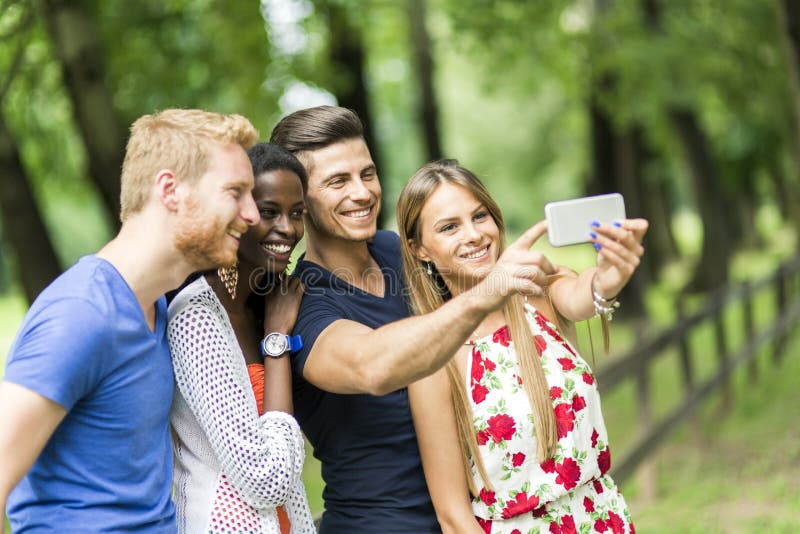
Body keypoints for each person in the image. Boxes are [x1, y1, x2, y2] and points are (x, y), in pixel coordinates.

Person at [269, 106, 565, 533]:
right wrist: (485, 295)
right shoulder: (304, 305)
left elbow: (503, 290)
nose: (363, 193)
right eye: (337, 181)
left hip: (480, 517)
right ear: (299, 201)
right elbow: (372, 366)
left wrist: (591, 285)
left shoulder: (397, 253)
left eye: (367, 174)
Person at [0, 109, 260, 533]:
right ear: (170, 190)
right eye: (235, 192)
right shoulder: (81, 313)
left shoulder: (159, 306)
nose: (251, 214)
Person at [397, 159, 647, 534]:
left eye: (479, 216)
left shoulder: (540, 291)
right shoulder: (435, 356)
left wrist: (608, 281)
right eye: (449, 227)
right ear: (420, 249)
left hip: (603, 519)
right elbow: (453, 517)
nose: (474, 234)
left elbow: (583, 294)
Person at [167, 142, 315, 533]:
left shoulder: (264, 301)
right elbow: (266, 480)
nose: (288, 228)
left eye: (297, 213)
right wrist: (277, 341)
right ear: (237, 213)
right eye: (270, 212)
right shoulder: (195, 317)